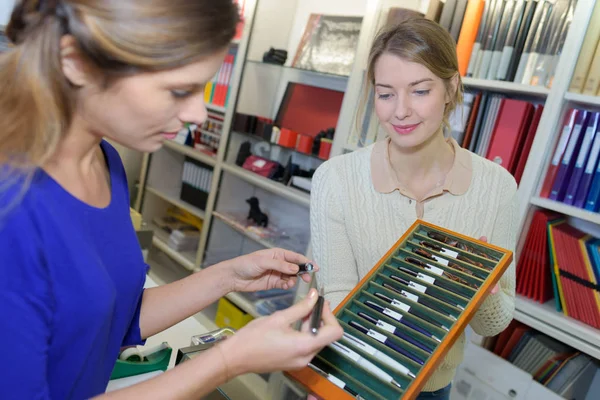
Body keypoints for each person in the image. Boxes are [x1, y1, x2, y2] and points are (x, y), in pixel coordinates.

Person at [0, 1, 343, 399]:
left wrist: (229, 276)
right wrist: (229, 361)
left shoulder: (105, 163)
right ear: (77, 62)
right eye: (180, 90)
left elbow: (108, 318)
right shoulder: (13, 210)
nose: (198, 113)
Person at [310, 18, 517, 400]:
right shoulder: (335, 180)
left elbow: (496, 323)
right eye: (386, 94)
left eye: (420, 91)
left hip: (432, 391)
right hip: (351, 375)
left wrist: (480, 285)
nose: (400, 111)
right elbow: (336, 295)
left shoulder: (497, 187)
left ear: (451, 87)